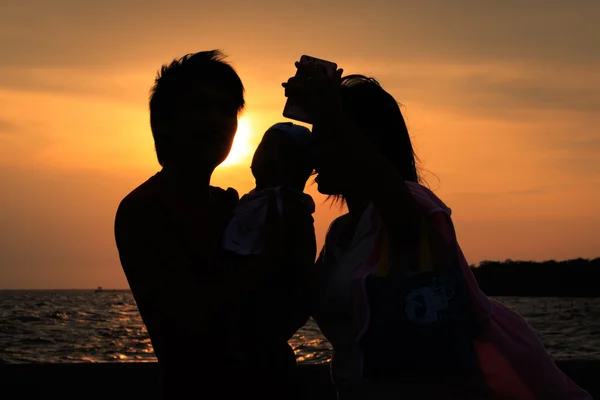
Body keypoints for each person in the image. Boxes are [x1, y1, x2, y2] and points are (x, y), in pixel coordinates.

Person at [282, 65, 592, 399]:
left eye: (325, 136)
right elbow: (293, 304)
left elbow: (400, 214)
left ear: (367, 141)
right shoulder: (340, 235)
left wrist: (332, 113)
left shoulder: (411, 205)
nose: (314, 151)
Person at [114, 50, 288, 400]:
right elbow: (191, 319)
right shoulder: (145, 209)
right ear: (164, 122)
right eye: (200, 107)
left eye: (227, 110)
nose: (218, 120)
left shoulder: (231, 208)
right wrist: (271, 257)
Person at [220, 122, 317, 397]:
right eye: (264, 148)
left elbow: (295, 268)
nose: (268, 158)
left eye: (283, 154)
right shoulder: (249, 202)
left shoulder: (290, 208)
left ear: (302, 169)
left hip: (266, 318)